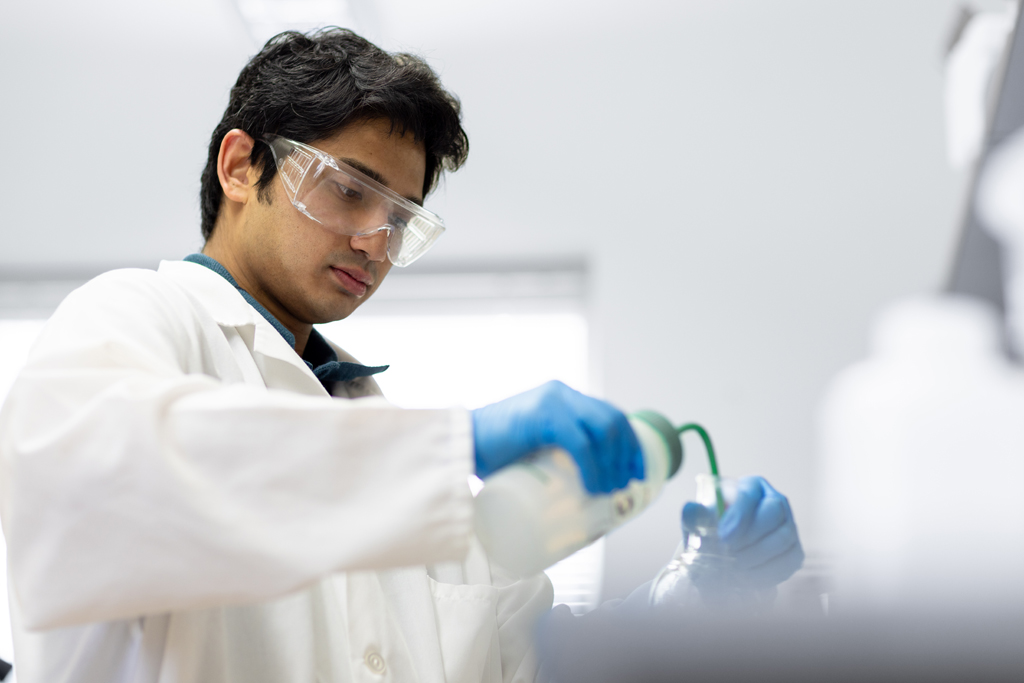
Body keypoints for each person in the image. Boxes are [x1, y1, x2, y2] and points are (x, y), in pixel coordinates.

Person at [0, 28, 803, 683]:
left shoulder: (377, 438)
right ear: (242, 166)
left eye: (401, 219)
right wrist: (461, 441)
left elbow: (523, 659)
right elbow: (95, 487)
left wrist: (698, 598)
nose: (374, 242)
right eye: (350, 189)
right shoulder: (136, 321)